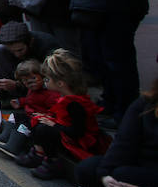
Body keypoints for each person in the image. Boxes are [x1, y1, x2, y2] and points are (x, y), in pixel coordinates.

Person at [55, 78, 158, 187]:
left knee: (123, 175)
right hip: (140, 165)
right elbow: (123, 143)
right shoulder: (146, 103)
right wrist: (105, 176)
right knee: (89, 168)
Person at [14, 49, 107, 180]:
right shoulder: (65, 98)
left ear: (60, 83)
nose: (45, 82)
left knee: (43, 129)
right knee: (36, 120)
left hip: (78, 139)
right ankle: (37, 153)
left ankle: (52, 161)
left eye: (47, 79)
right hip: (64, 129)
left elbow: (77, 132)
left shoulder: (75, 104)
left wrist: (54, 125)